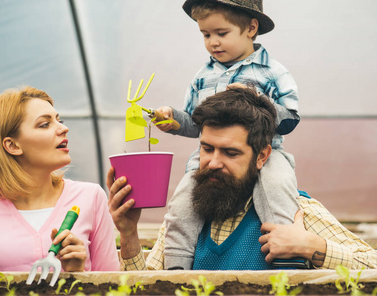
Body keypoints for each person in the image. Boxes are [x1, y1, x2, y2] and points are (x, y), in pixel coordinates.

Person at [108, 87, 377, 271]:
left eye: (231, 152)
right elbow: (145, 288)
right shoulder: (186, 216)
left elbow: (372, 264)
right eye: (206, 148)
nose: (213, 162)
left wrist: (313, 246)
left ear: (262, 156)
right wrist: (129, 234)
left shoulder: (299, 215)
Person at [153, 0, 301, 269]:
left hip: (266, 154)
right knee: (182, 202)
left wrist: (259, 101)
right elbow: (196, 124)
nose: (213, 42)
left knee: (278, 187)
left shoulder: (272, 71)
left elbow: (290, 118)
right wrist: (174, 121)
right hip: (211, 156)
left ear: (251, 28)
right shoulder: (201, 76)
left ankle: (289, 261)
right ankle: (175, 270)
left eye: (222, 33)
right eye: (206, 34)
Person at [0, 86, 120, 272]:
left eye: (59, 120)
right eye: (44, 124)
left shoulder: (91, 197)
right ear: (12, 145)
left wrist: (78, 275)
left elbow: (113, 285)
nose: (64, 128)